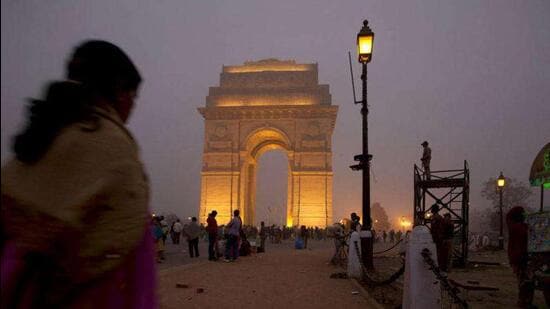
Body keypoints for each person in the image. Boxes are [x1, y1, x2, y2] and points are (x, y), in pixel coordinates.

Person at [0, 40, 155, 308]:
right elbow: (136, 261)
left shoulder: (43, 135)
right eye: (133, 95)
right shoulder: (113, 145)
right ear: (119, 92)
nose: (133, 105)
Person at [506, 206, 534, 308]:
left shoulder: (515, 227)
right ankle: (524, 303)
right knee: (526, 282)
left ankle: (525, 302)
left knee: (525, 282)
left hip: (519, 258)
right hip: (522, 258)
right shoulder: (520, 228)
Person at [429, 204, 448, 272]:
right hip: (437, 237)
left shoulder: (437, 218)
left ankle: (439, 267)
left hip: (437, 238)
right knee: (438, 253)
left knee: (438, 253)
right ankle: (439, 266)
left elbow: (438, 229)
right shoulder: (437, 217)